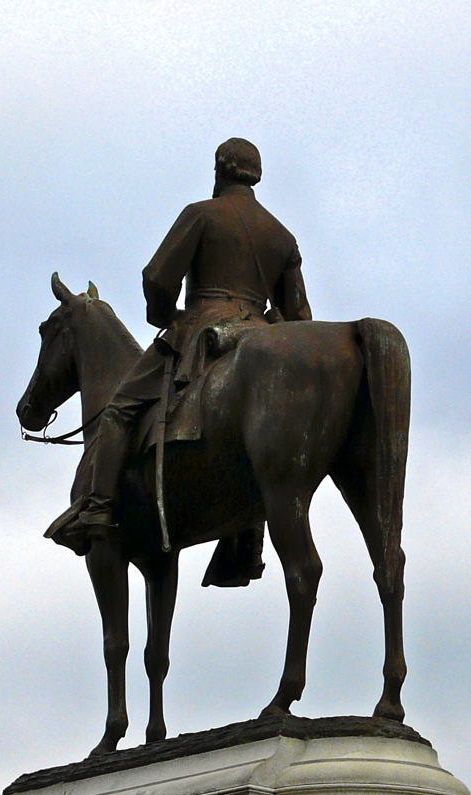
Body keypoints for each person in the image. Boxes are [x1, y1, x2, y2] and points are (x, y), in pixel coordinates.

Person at [67, 138, 312, 543]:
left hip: (202, 332)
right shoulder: (282, 237)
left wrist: (166, 317)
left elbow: (157, 278)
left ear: (219, 170)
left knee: (117, 410)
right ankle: (247, 548)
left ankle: (96, 508)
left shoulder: (201, 214)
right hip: (260, 334)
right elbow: (301, 320)